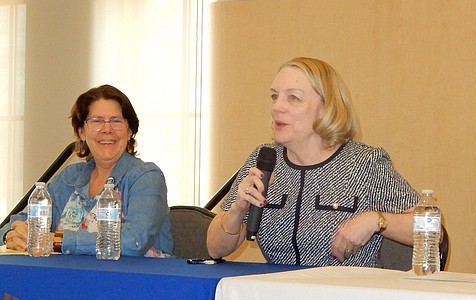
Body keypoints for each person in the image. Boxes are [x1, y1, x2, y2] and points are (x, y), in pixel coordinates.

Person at [207, 57, 419, 267]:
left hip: (346, 295)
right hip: (277, 294)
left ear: (326, 108)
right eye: (274, 96)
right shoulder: (264, 159)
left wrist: (376, 221)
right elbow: (215, 249)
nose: (277, 107)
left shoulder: (364, 163)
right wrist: (238, 210)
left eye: (294, 98)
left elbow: (431, 226)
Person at [1, 84, 173, 256]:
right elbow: (21, 222)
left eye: (116, 121)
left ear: (130, 132)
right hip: (69, 277)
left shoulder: (146, 177)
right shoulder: (69, 177)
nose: (107, 129)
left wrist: (58, 240)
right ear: (81, 132)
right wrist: (13, 233)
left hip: (136, 279)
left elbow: (134, 242)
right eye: (96, 121)